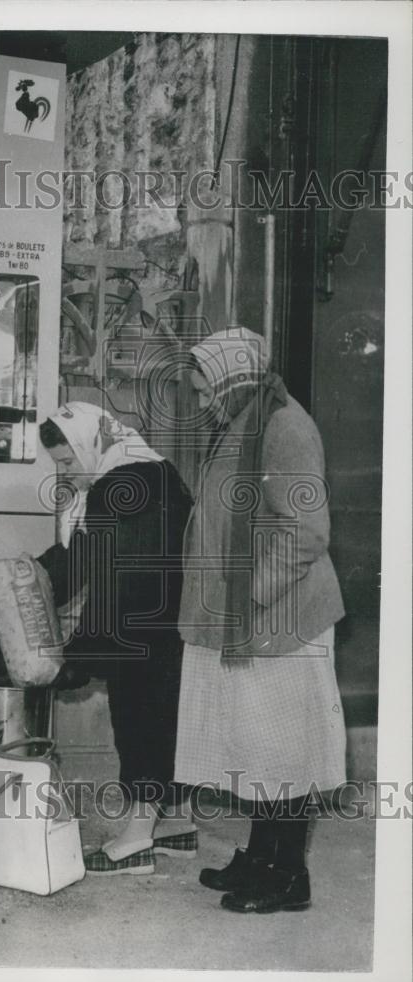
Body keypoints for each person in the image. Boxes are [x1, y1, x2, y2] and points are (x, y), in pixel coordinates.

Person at [0, 401, 195, 874]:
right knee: (160, 719)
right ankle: (172, 826)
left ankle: (136, 842)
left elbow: (113, 577)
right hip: (164, 622)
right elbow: (85, 556)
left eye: (67, 461)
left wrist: (81, 654)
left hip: (141, 624)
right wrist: (25, 576)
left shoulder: (121, 486)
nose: (66, 473)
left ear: (90, 442)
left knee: (139, 724)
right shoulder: (147, 469)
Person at [174, 327, 347, 913]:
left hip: (278, 622)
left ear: (230, 378)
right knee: (255, 747)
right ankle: (260, 853)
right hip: (245, 622)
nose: (200, 401)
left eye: (203, 390)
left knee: (283, 754)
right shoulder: (245, 419)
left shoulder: (284, 425)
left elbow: (307, 531)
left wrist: (252, 598)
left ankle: (288, 875)